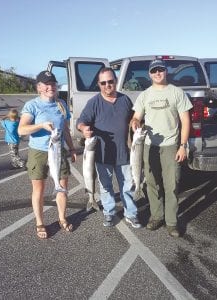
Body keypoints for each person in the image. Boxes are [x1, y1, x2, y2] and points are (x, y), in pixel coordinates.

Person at [131, 59, 193, 238]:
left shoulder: (177, 92)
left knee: (172, 185)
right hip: (149, 147)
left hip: (171, 146)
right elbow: (136, 117)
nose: (157, 73)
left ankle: (172, 222)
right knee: (151, 183)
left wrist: (183, 146)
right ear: (149, 74)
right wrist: (135, 123)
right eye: (154, 70)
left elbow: (185, 121)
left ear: (166, 71)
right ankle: (156, 216)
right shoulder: (145, 95)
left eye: (160, 69)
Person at [77, 67, 141, 228]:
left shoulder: (125, 100)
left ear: (115, 81)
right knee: (105, 188)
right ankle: (109, 213)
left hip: (124, 153)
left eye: (110, 81)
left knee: (127, 187)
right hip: (101, 155)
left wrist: (135, 123)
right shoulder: (94, 102)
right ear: (99, 84)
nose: (107, 85)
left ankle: (131, 214)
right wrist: (84, 129)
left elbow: (133, 118)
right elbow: (81, 121)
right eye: (103, 82)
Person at [18, 70, 76, 239]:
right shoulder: (32, 105)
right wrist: (41, 125)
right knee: (39, 189)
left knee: (62, 187)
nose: (51, 87)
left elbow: (65, 129)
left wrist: (72, 148)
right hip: (38, 152)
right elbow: (22, 129)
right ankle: (40, 223)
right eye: (47, 84)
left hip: (59, 150)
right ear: (39, 87)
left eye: (53, 84)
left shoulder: (61, 104)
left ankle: (62, 218)